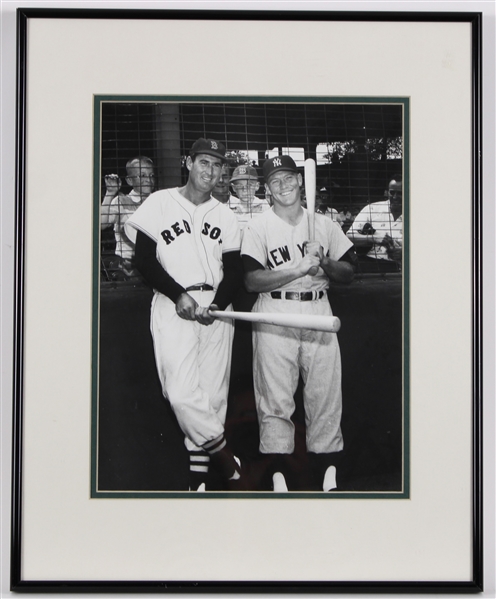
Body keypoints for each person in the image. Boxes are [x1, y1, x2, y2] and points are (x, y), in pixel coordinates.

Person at [124, 138, 245, 492]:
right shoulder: (160, 202)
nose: (211, 171)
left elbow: (235, 270)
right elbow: (143, 259)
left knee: (212, 397)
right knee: (179, 393)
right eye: (204, 162)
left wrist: (220, 305)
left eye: (217, 165)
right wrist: (178, 294)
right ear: (187, 162)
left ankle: (198, 483)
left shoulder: (225, 214)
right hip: (172, 302)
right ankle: (224, 457)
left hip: (217, 308)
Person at [241, 155, 357, 492]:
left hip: (319, 310)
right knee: (275, 399)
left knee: (325, 395)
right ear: (267, 189)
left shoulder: (324, 224)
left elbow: (350, 273)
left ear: (299, 181)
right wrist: (297, 269)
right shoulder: (258, 226)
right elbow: (251, 280)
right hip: (275, 313)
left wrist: (323, 262)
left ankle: (328, 473)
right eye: (275, 181)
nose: (284, 185)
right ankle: (278, 475)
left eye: (289, 178)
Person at [101, 156, 155, 279]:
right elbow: (101, 224)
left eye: (151, 176)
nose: (148, 180)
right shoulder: (121, 201)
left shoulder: (159, 201)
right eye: (142, 176)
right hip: (127, 268)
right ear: (130, 181)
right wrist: (110, 193)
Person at [346, 174, 403, 271]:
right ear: (387, 192)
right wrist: (374, 238)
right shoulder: (372, 209)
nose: (395, 197)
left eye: (400, 193)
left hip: (399, 268)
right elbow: (349, 237)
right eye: (392, 192)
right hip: (369, 263)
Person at [228, 164, 270, 231]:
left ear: (257, 186)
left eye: (249, 185)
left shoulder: (265, 207)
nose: (245, 190)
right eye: (239, 186)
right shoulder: (229, 209)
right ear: (233, 188)